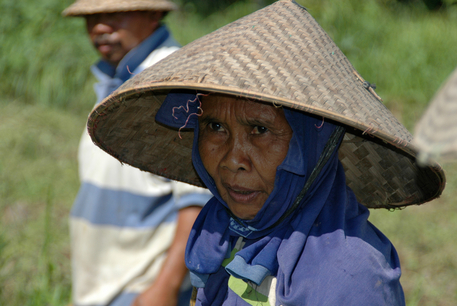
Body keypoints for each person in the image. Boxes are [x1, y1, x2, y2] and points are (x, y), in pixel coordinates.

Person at [86, 0, 446, 305]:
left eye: (259, 130)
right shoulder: (221, 234)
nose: (231, 159)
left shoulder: (348, 276)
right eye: (215, 127)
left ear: (312, 148)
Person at [62, 1, 212, 306]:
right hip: (108, 284)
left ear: (154, 13)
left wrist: (165, 288)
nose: (100, 27)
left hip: (142, 289)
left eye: (114, 14)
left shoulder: (171, 82)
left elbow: (197, 201)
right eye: (92, 17)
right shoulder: (120, 78)